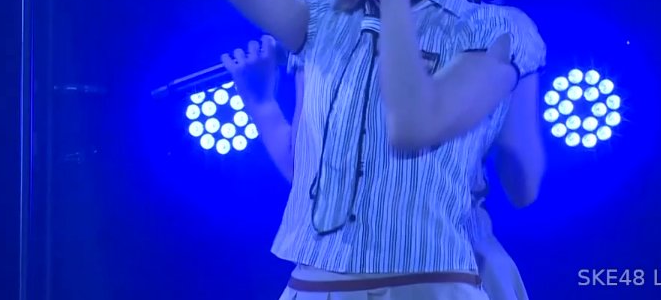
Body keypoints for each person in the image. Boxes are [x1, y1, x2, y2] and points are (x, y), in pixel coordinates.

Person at [216, 0, 546, 299]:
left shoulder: (492, 29)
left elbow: (417, 130)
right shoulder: (323, 17)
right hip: (313, 286)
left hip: (428, 284)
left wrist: (508, 120)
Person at [222, 33, 543, 299]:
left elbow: (305, 173)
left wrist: (261, 103)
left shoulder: (320, 27)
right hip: (454, 265)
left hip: (340, 270)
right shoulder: (500, 31)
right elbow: (523, 188)